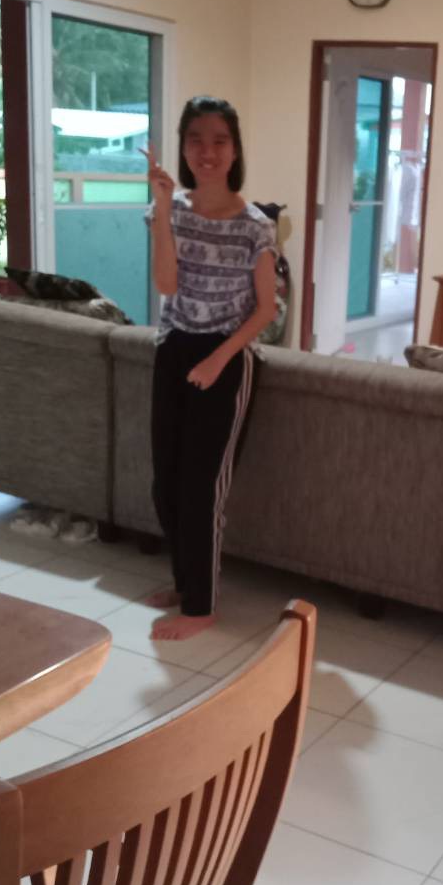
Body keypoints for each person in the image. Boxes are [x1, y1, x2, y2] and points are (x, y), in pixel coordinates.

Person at [142, 96, 277, 641]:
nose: (207, 151)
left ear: (235, 149)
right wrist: (162, 209)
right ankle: (184, 582)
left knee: (202, 488)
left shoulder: (255, 226)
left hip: (227, 357)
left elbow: (265, 310)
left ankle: (201, 605)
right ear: (183, 147)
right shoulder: (169, 210)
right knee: (166, 484)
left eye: (220, 140)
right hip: (174, 348)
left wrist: (219, 360)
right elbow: (166, 284)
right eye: (196, 139)